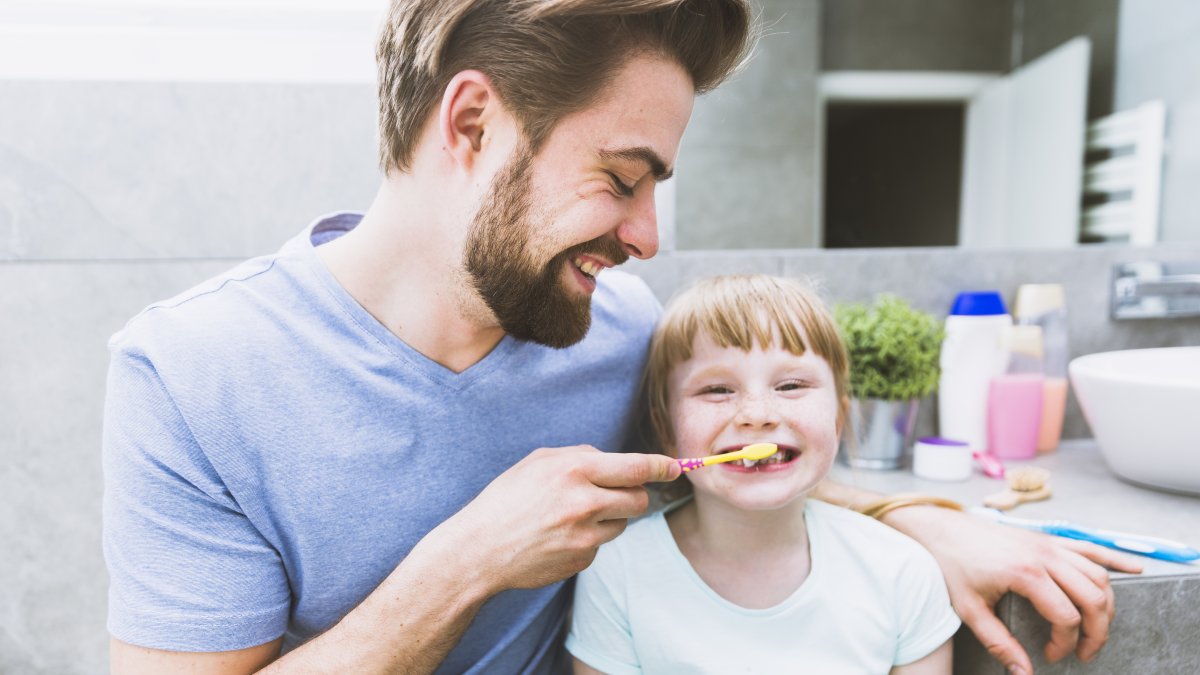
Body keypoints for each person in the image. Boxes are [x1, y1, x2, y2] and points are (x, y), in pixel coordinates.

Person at [101, 1, 1140, 674]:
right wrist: (464, 564)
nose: (645, 237)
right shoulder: (192, 374)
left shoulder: (618, 329)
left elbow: (733, 457)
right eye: (621, 178)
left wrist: (920, 522)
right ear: (470, 124)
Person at [567, 275, 960, 674]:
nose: (757, 415)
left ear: (838, 421)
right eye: (717, 390)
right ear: (667, 431)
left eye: (791, 385)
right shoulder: (618, 572)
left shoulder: (902, 572)